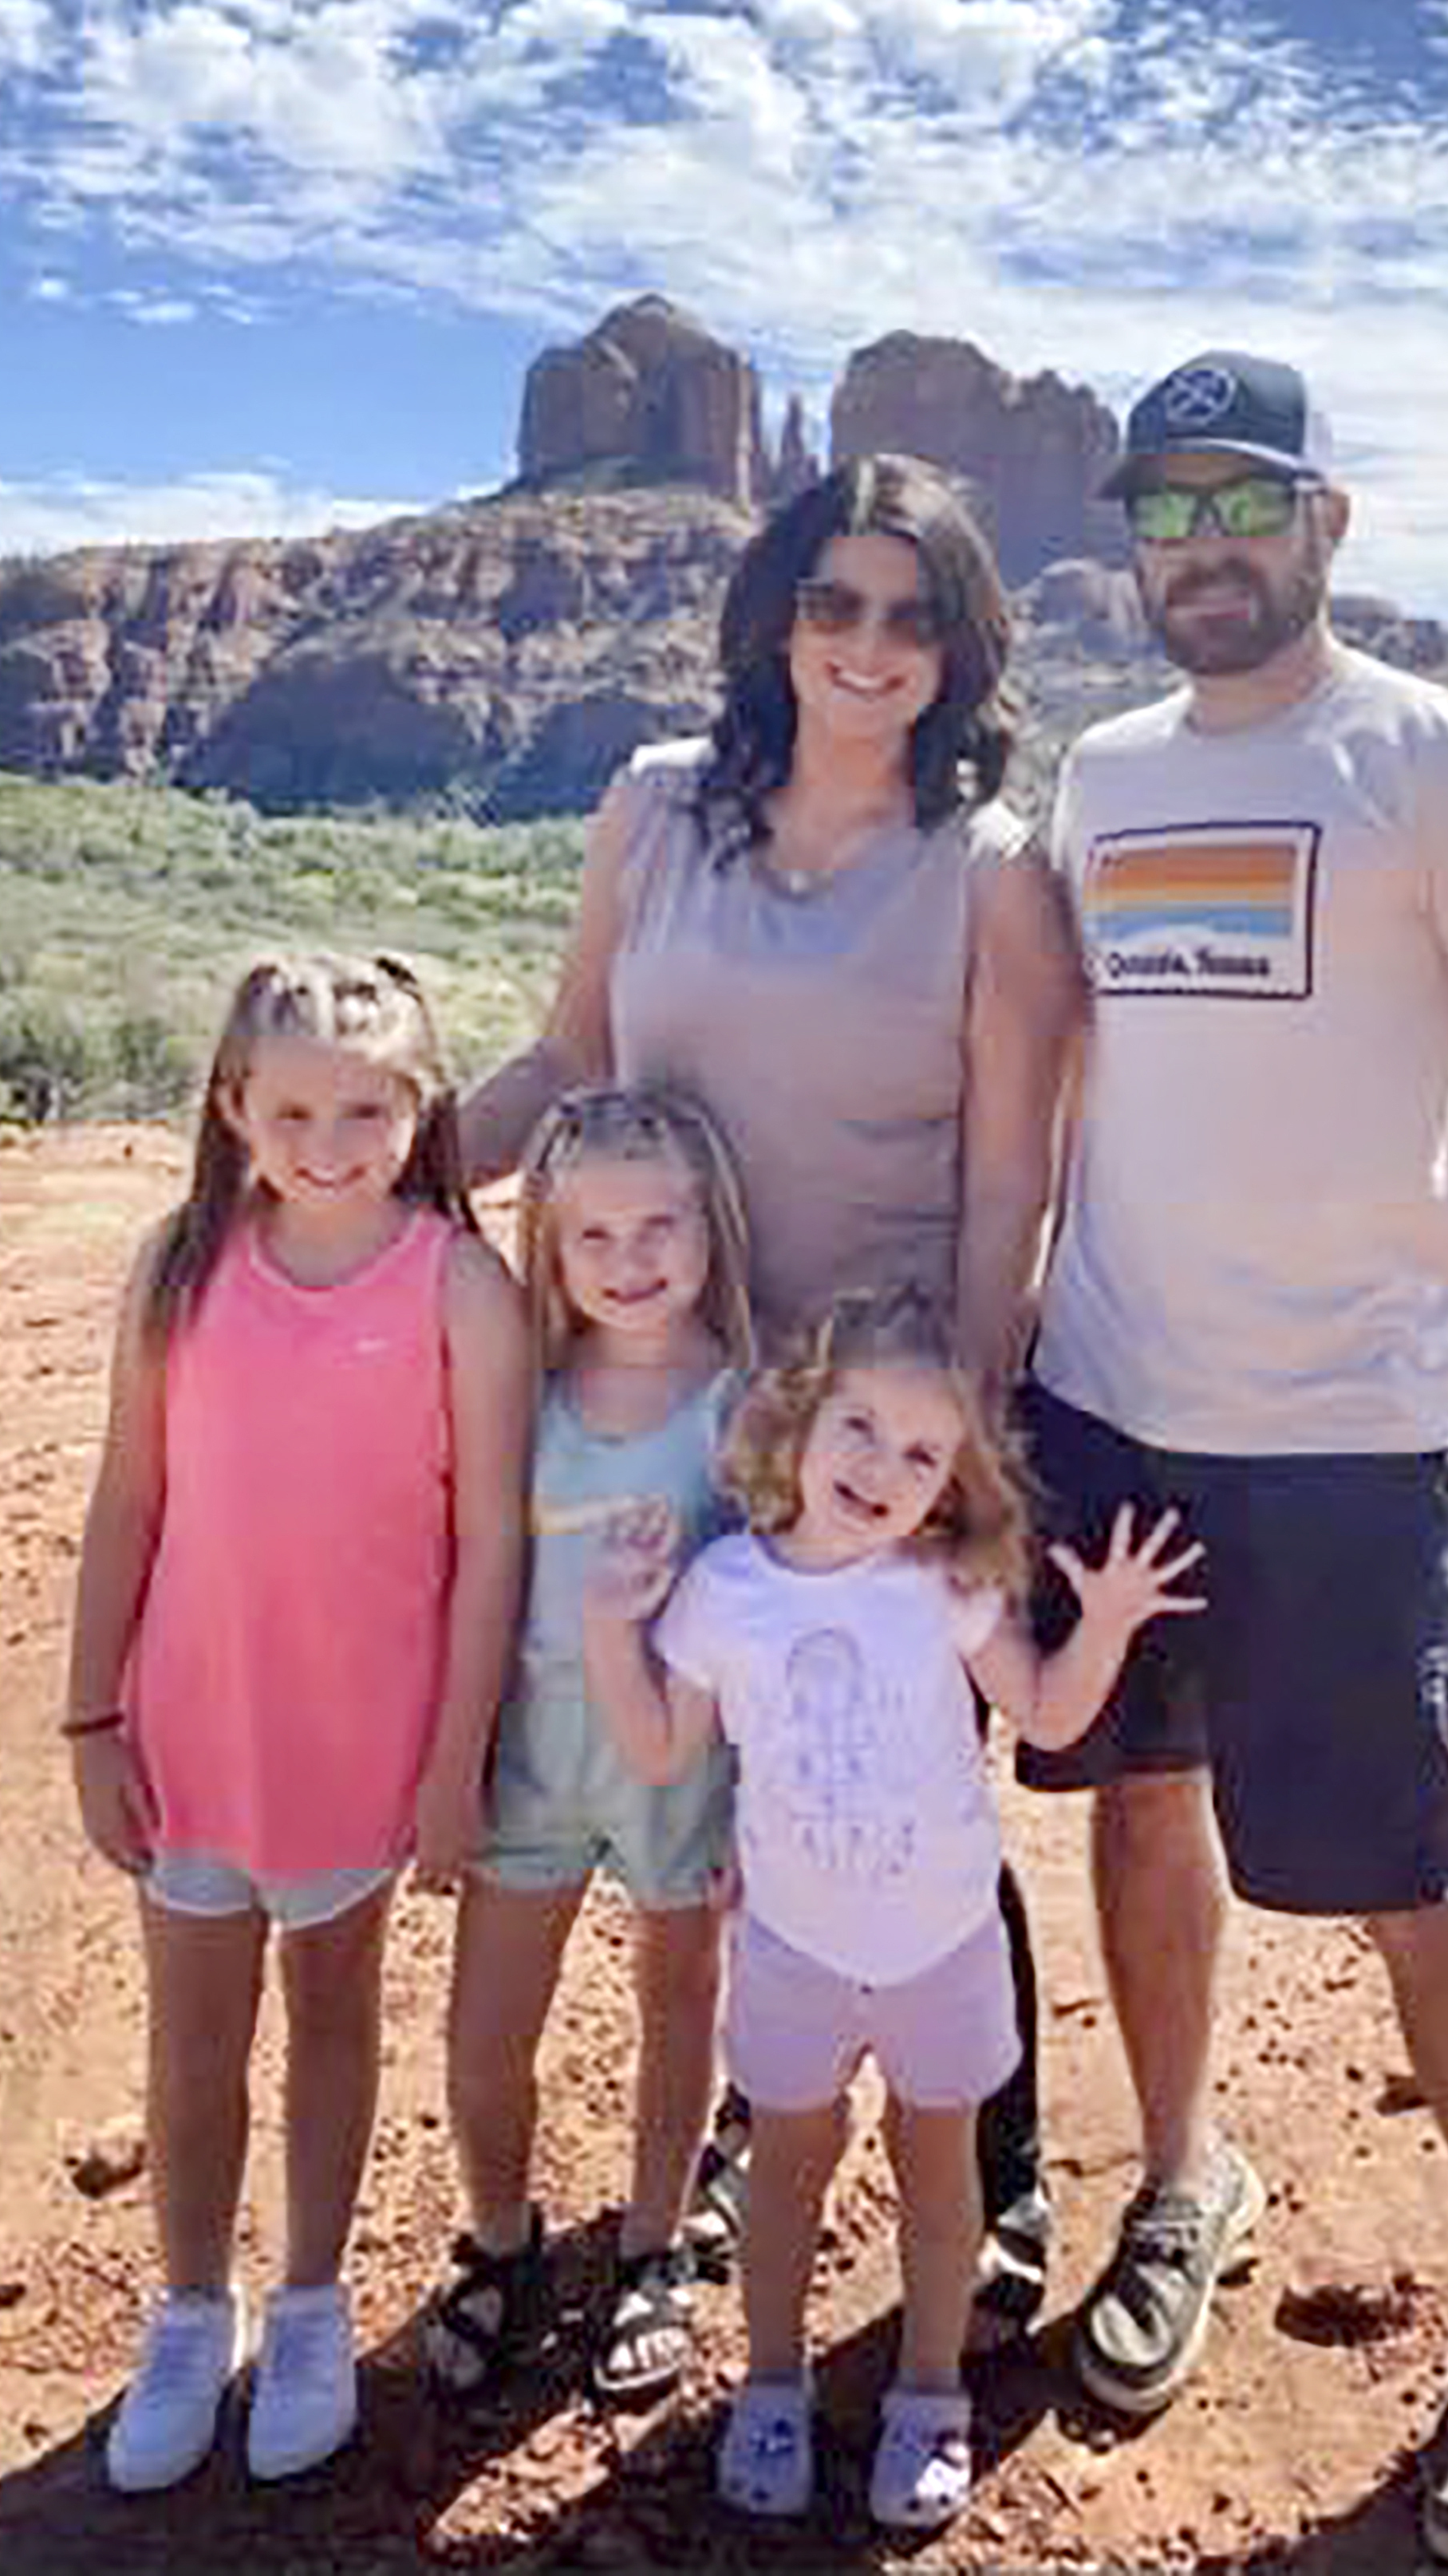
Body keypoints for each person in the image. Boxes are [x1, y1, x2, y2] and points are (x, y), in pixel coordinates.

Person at [1016, 348, 1448, 2565]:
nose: (1203, 546)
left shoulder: (1442, 761)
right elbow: (1070, 1061)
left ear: (1325, 523)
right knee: (1138, 1801)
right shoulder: (1100, 776)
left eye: (1241, 502)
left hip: (1346, 1441)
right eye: (1166, 511)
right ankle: (1185, 2176)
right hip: (1111, 1397)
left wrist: (1397, 1257)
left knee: (1404, 1871)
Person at [459, 452, 1084, 2331]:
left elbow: (1009, 1181)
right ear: (777, 619)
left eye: (912, 616)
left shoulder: (990, 877)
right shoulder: (655, 808)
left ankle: (997, 2168)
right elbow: (569, 1054)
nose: (867, 646)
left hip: (870, 1448)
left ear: (960, 652)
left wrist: (952, 1455)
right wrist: (379, 1170)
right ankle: (757, 2117)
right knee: (744, 1787)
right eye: (834, 603)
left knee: (901, 1780)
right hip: (668, 1407)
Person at [582, 1286, 1205, 2531]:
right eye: (860, 1427)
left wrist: (1108, 1624)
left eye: (923, 1455)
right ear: (801, 1416)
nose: (882, 1469)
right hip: (793, 1952)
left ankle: (929, 2393)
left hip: (944, 1951)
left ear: (954, 1483)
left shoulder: (944, 1587)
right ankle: (771, 2384)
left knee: (940, 2174)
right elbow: (658, 1748)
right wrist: (608, 1627)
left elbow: (1046, 1713)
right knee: (786, 2173)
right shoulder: (725, 1591)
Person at [64, 952, 530, 2495]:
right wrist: (91, 1720)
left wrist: (456, 1759)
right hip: (193, 1727)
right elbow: (128, 1501)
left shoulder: (460, 1286)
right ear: (232, 1108)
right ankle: (192, 2311)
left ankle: (314, 2304)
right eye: (296, 1112)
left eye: (368, 1111)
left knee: (333, 2013)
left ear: (421, 1109)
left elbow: (492, 1548)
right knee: (193, 2039)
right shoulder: (180, 1269)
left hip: (359, 1739)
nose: (332, 1145)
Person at [424, 1083, 753, 2409]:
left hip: (681, 1761)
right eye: (594, 1237)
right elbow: (478, 1577)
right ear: (549, 1248)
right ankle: (502, 2239)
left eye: (660, 1227)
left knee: (677, 2004)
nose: (631, 1262)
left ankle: (654, 2243)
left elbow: (773, 1606)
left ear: (713, 1227)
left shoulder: (743, 1405)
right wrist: (449, 1765)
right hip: (534, 1757)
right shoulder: (528, 1395)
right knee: (484, 2033)